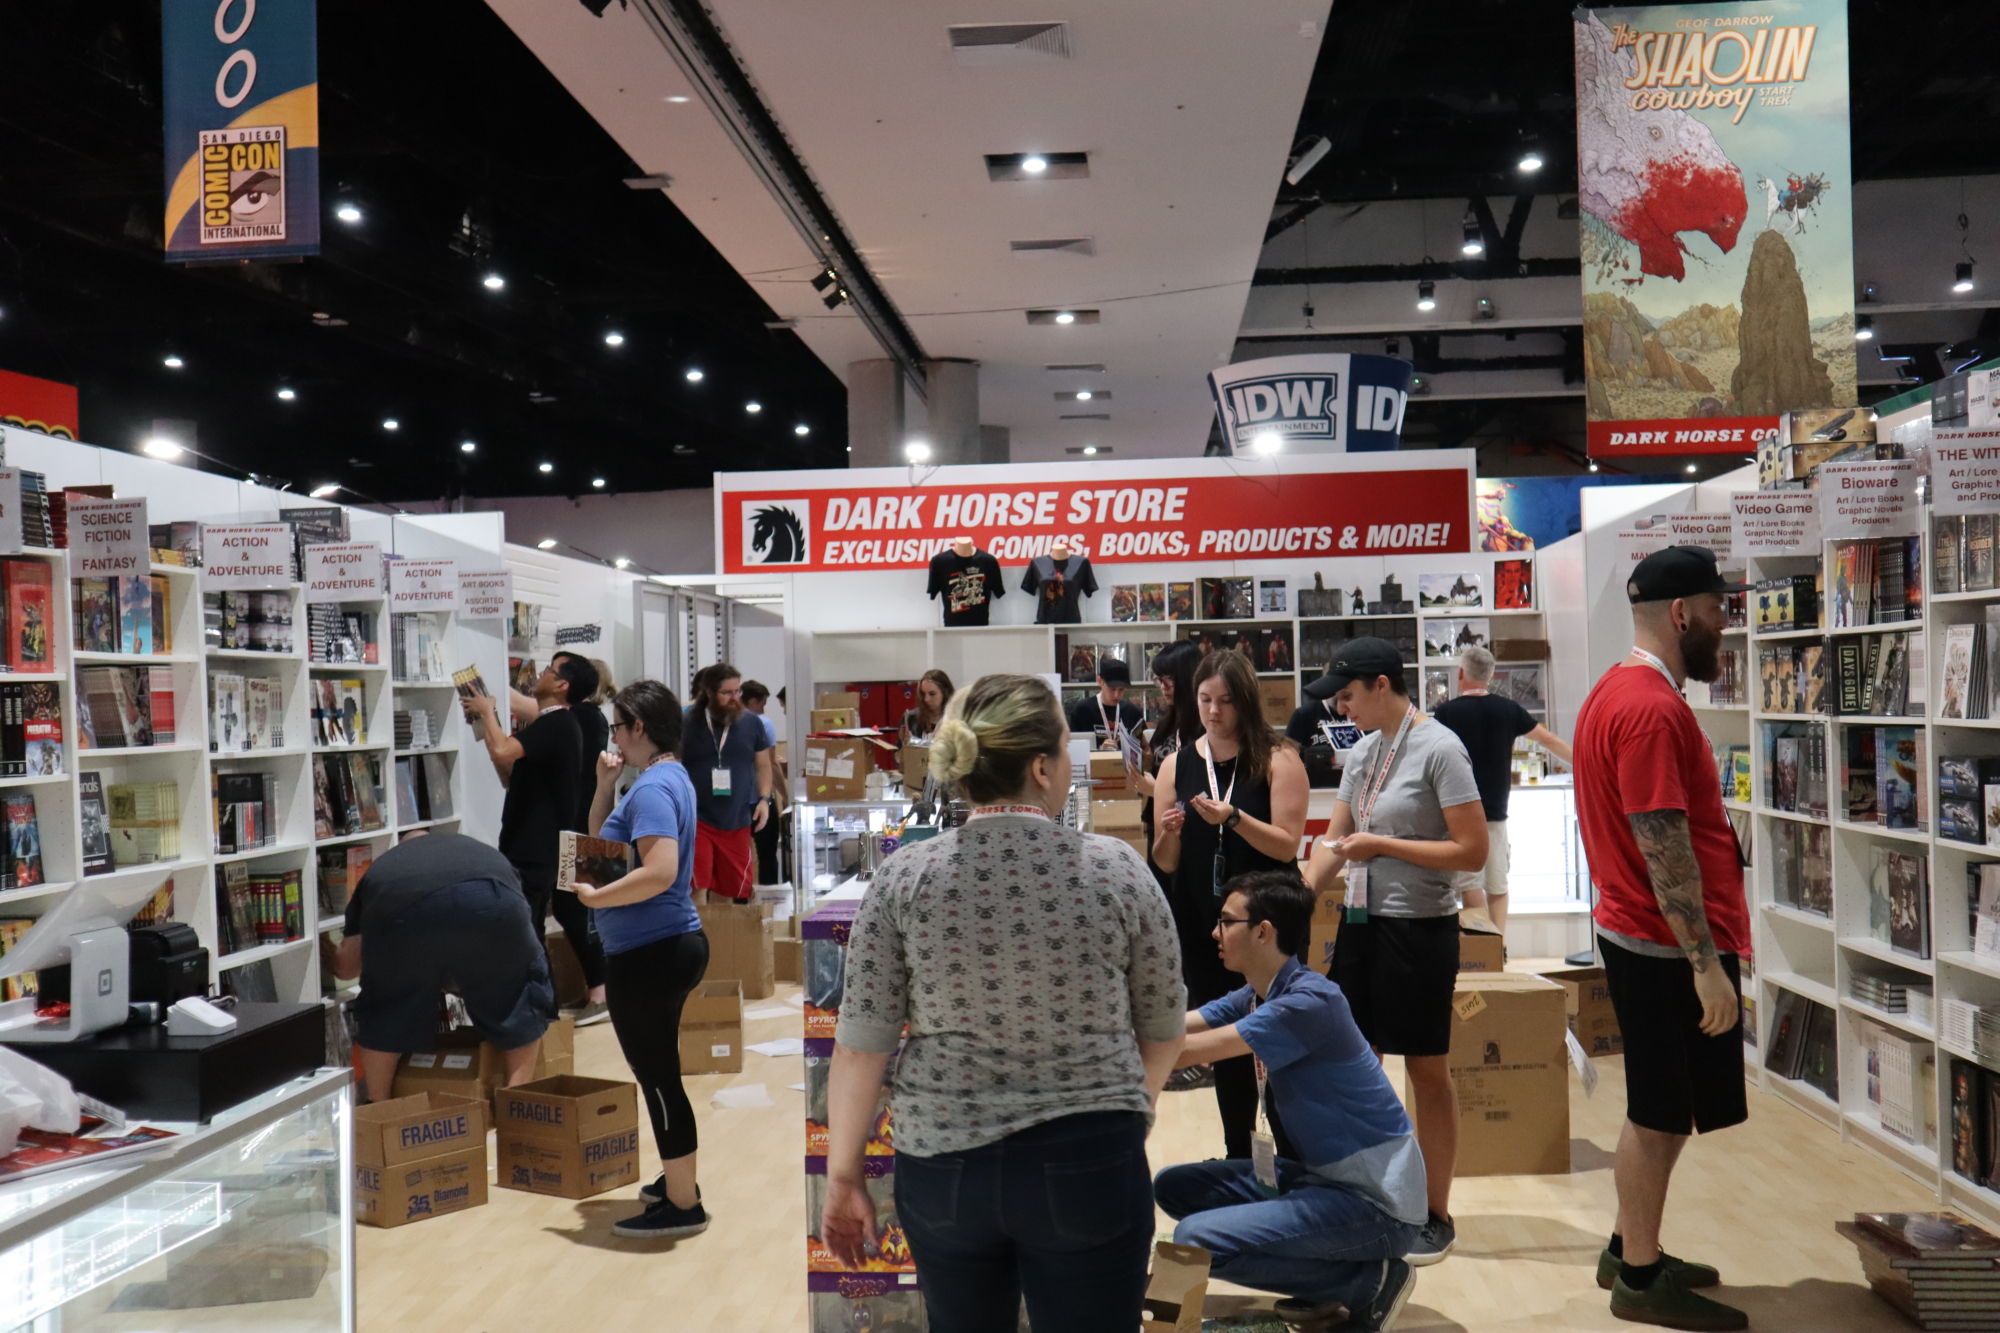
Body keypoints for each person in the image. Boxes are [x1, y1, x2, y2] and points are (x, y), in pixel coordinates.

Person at [820, 674, 1185, 1332]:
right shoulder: (1115, 868)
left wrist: (844, 1173)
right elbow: (1162, 1026)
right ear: (1042, 768)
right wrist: (1134, 1110)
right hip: (1090, 1155)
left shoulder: (904, 877)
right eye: (1066, 750)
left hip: (944, 1164)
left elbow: (860, 1045)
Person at [1573, 546, 1750, 1332]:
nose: (1724, 624)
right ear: (1681, 614)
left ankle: (1629, 1248)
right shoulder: (1649, 707)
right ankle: (1640, 1278)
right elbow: (1662, 839)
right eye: (1716, 609)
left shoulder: (1619, 691)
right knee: (1657, 1112)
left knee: (1665, 1108)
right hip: (1663, 942)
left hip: (1645, 932)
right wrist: (1705, 963)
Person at [1156, 871, 1425, 1332]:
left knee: (1196, 1237)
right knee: (1175, 1188)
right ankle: (1325, 1277)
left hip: (1378, 1206)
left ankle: (1367, 1282)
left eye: (1226, 921)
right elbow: (1182, 1026)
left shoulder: (1309, 1002)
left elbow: (1185, 1052)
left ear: (1263, 931)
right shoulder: (1259, 994)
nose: (1214, 932)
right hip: (1324, 1181)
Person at [1303, 637, 1488, 1267]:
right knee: (1357, 1064)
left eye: (1348, 695)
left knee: (1426, 1071)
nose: (1341, 708)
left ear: (1382, 685)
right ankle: (1371, 1198)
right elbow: (1334, 841)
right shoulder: (1362, 752)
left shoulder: (1441, 749)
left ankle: (1436, 1213)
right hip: (1359, 925)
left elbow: (1472, 851)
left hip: (1420, 930)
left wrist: (1382, 845)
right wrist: (1293, 901)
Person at [1153, 649, 1309, 1157]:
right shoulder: (1177, 764)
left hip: (1268, 923)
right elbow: (1165, 862)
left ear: (1246, 701)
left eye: (1225, 701)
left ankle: (1295, 1154)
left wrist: (1234, 818)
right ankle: (1239, 1156)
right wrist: (1170, 834)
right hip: (1206, 922)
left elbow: (1286, 845)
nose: (1213, 711)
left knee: (1276, 1035)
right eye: (1204, 699)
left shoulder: (1278, 758)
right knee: (1225, 1041)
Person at [582, 678, 712, 1239]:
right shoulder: (664, 778)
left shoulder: (656, 789)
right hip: (661, 946)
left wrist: (596, 900)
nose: (613, 738)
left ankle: (683, 1204)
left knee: (658, 1080)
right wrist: (604, 788)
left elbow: (658, 872)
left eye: (617, 727)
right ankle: (678, 1179)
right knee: (661, 1073)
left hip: (649, 953)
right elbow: (606, 852)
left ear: (639, 727)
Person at [333, 831, 552, 1104]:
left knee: (385, 1004)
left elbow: (347, 968)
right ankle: (516, 1098)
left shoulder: (382, 870)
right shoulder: (481, 852)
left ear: (401, 848)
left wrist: (326, 953)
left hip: (402, 911)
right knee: (518, 992)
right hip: (492, 900)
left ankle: (380, 1107)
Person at [463, 655, 588, 984]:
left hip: (535, 851)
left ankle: (541, 1005)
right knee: (526, 933)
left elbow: (503, 751)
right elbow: (508, 772)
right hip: (529, 847)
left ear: (562, 685)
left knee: (526, 937)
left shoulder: (557, 723)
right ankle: (541, 1005)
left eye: (549, 670)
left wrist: (488, 712)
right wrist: (485, 723)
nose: (541, 673)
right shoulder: (552, 725)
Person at [1432, 646, 1573, 936]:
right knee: (1498, 884)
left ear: (1461, 674)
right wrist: (1587, 765)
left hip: (1460, 812)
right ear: (1491, 675)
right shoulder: (1509, 709)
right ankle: (1499, 944)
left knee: (1470, 883)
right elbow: (1547, 740)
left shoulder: (1446, 712)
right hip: (1497, 812)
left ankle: (1483, 944)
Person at [679, 663, 773, 905]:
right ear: (709, 693)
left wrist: (764, 799)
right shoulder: (687, 722)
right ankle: (698, 930)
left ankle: (721, 931)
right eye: (727, 693)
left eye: (737, 691)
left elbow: (763, 765)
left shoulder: (752, 723)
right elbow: (673, 765)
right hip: (697, 818)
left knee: (729, 889)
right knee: (697, 887)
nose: (734, 698)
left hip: (737, 819)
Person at [741, 679, 785, 885]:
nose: (763, 709)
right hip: (761, 798)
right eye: (762, 704)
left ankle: (740, 899)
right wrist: (785, 794)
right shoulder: (763, 724)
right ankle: (770, 897)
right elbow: (771, 763)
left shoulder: (728, 724)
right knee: (767, 853)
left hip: (736, 802)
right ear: (752, 701)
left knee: (739, 856)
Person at [1066, 655, 1142, 747]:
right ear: (1099, 681)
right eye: (1112, 689)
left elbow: (1143, 749)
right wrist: (1099, 751)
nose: (1116, 695)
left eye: (1121, 690)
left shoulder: (1133, 712)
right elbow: (1073, 747)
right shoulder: (1082, 710)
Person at [899, 669, 954, 743]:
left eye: (932, 694)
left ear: (945, 693)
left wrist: (913, 742)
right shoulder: (911, 718)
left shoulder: (956, 719)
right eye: (923, 693)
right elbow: (898, 749)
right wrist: (905, 743)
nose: (926, 699)